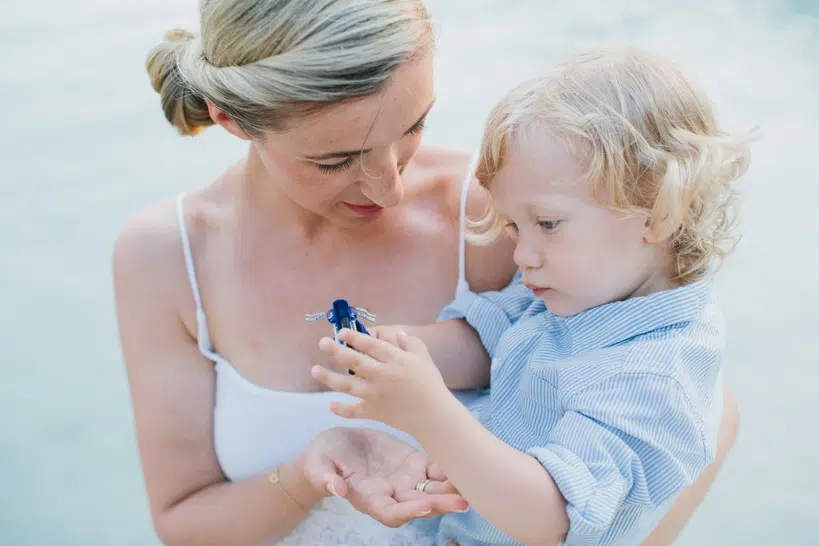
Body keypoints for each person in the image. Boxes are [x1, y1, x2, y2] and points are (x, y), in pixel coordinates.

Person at [112, 0, 741, 542]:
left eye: (414, 126)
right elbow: (183, 523)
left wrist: (423, 405)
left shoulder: (512, 207)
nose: (388, 187)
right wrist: (311, 470)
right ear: (232, 120)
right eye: (337, 159)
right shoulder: (164, 258)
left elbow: (699, 406)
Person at [312, 47, 755, 545]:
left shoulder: (654, 377)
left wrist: (428, 411)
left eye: (547, 223)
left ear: (656, 211)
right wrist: (387, 352)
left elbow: (555, 518)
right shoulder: (582, 288)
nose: (522, 253)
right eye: (513, 226)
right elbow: (486, 342)